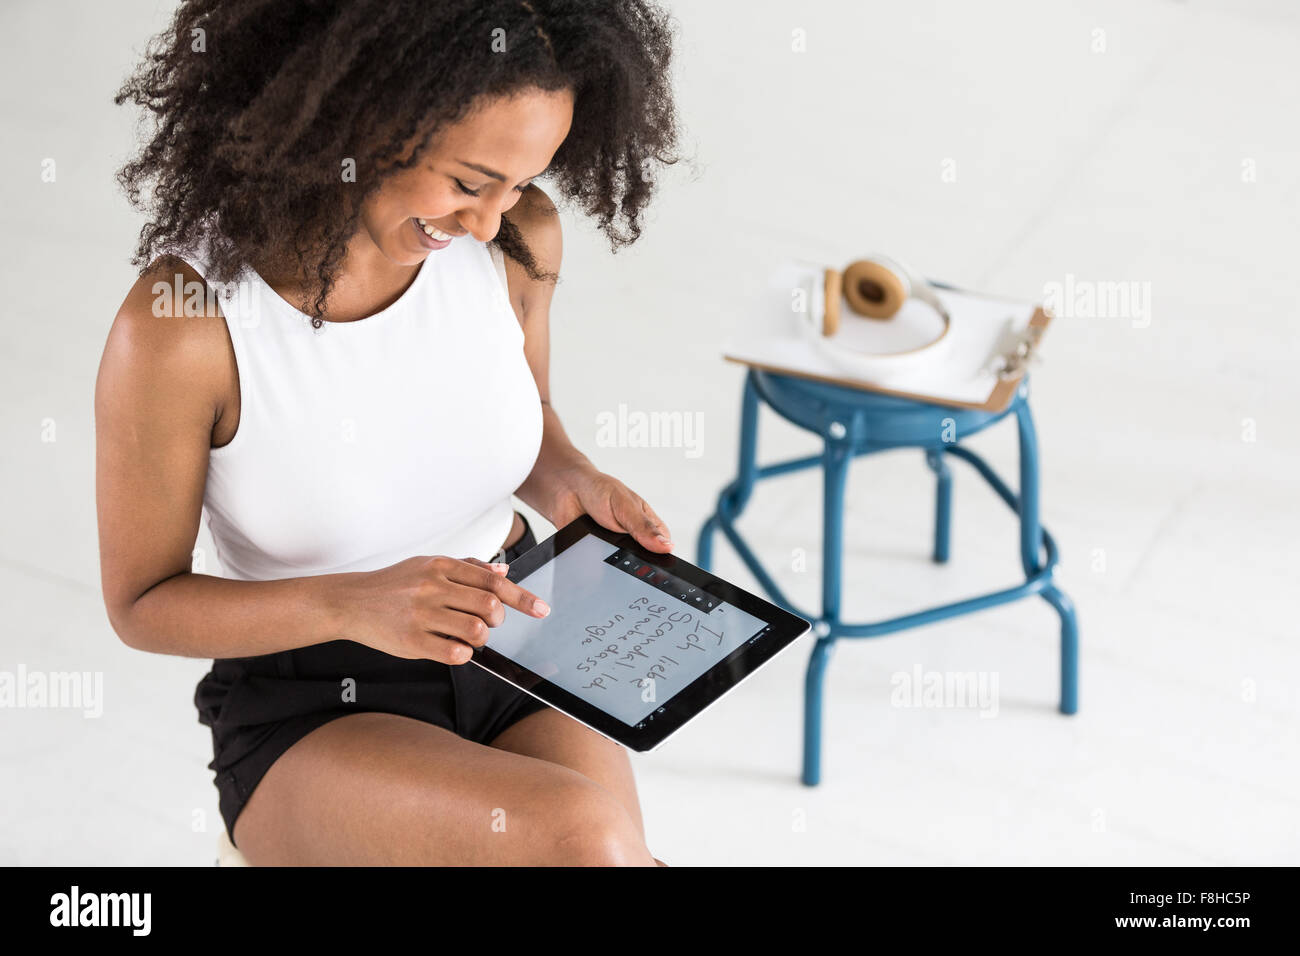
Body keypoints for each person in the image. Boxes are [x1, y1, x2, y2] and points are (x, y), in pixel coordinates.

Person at [96, 0, 682, 866]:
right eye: (469, 182)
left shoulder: (518, 243)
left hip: (518, 636)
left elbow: (533, 421)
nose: (489, 221)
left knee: (602, 850)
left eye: (520, 183)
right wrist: (352, 601)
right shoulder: (187, 324)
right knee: (581, 839)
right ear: (363, 115)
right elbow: (141, 607)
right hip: (315, 699)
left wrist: (577, 485)